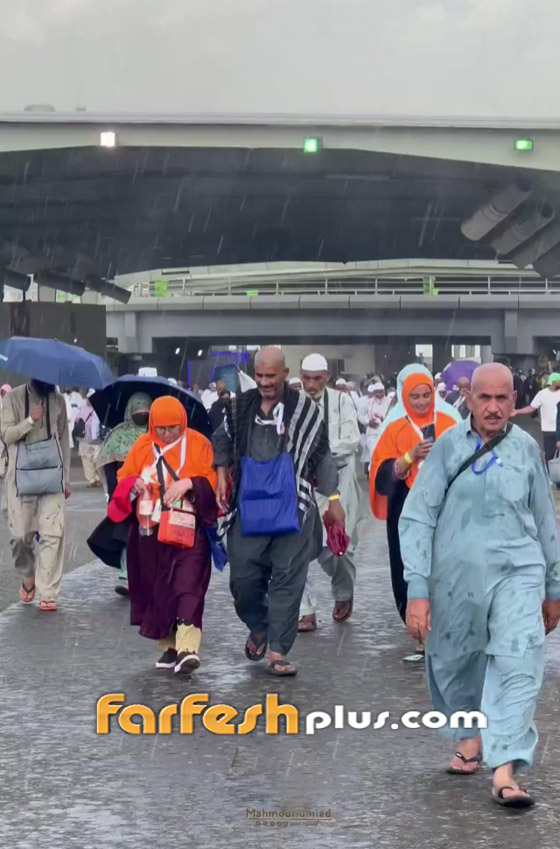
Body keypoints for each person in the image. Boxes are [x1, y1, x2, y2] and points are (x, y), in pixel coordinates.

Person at [399, 363, 560, 808]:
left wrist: (554, 586)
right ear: (468, 399)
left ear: (514, 400)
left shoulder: (527, 450)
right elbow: (417, 516)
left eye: (502, 398)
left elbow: (546, 519)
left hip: (518, 572)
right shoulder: (448, 448)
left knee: (519, 662)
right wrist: (417, 587)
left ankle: (506, 768)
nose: (493, 407)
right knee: (455, 661)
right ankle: (469, 736)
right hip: (455, 578)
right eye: (484, 398)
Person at [212, 346, 344, 676]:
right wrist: (220, 477)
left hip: (294, 506)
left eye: (271, 376)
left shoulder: (305, 411)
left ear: (285, 374)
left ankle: (277, 649)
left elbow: (322, 455)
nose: (265, 382)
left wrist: (334, 500)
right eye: (259, 375)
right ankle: (258, 625)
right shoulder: (239, 406)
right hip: (248, 504)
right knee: (242, 578)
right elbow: (222, 441)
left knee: (288, 577)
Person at [115, 396, 217, 674]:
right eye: (161, 428)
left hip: (188, 528)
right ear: (152, 426)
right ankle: (170, 645)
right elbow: (124, 476)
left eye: (173, 427)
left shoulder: (198, 443)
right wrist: (133, 483)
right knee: (158, 587)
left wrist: (189, 483)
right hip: (150, 530)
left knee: (189, 584)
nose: (168, 433)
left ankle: (188, 648)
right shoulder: (142, 446)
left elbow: (214, 481)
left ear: (183, 422)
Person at [369, 365, 458, 659]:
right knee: (410, 568)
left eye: (425, 395)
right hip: (406, 508)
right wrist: (410, 456)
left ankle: (445, 628)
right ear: (405, 397)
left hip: (446, 508)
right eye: (415, 396)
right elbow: (382, 473)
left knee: (445, 567)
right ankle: (421, 632)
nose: (421, 402)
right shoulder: (394, 428)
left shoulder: (450, 422)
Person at [297, 353, 363, 631]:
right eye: (307, 378)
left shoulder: (341, 400)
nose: (311, 384)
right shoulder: (293, 403)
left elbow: (352, 441)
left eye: (317, 378)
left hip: (338, 479)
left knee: (338, 548)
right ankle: (304, 610)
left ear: (326, 376)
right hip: (302, 481)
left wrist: (320, 455)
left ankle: (343, 593)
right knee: (294, 547)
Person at [1, 379, 71, 611]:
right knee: (20, 536)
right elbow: (7, 435)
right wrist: (31, 419)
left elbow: (63, 440)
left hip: (52, 476)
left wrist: (66, 477)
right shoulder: (13, 399)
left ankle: (48, 591)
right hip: (20, 478)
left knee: (53, 534)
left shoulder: (58, 400)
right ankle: (28, 574)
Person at [96, 392, 152, 596]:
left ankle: (147, 577)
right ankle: (127, 576)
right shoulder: (118, 433)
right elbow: (107, 463)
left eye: (146, 410)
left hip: (152, 494)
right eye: (138, 410)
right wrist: (114, 493)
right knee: (128, 535)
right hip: (126, 494)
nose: (142, 413)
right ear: (130, 410)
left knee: (148, 536)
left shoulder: (158, 432)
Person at [512, 372, 560, 464]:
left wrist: (517, 411)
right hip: (548, 430)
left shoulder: (542, 393)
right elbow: (532, 407)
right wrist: (517, 411)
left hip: (553, 430)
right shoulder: (542, 393)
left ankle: (552, 475)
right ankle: (552, 475)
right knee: (550, 457)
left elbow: (531, 408)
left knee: (550, 457)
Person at [358, 382, 392, 474]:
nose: (380, 394)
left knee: (385, 456)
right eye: (378, 392)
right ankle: (374, 473)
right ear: (374, 392)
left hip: (386, 433)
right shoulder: (368, 403)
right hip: (372, 434)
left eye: (382, 392)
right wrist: (368, 422)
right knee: (375, 454)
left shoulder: (389, 401)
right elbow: (360, 415)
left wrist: (385, 419)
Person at [73, 391, 102, 487]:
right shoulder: (82, 407)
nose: (88, 400)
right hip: (84, 438)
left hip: (97, 439)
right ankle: (92, 480)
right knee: (86, 459)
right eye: (88, 398)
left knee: (97, 459)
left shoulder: (100, 407)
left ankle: (99, 477)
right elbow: (76, 417)